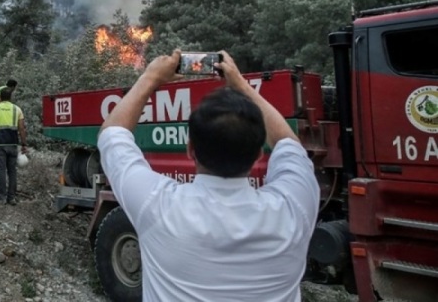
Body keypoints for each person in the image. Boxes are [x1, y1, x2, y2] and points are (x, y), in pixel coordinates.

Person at [98, 49, 318, 301]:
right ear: (259, 154)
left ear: (190, 149)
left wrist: (151, 77)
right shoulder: (294, 209)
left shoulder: (158, 207)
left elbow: (112, 133)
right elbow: (287, 143)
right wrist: (240, 84)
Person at [0, 88, 27, 205]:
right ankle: (11, 198)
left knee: (1, 170)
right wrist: (24, 144)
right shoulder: (17, 109)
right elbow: (22, 128)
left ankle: (1, 198)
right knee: (12, 171)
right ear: (10, 97)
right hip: (13, 144)